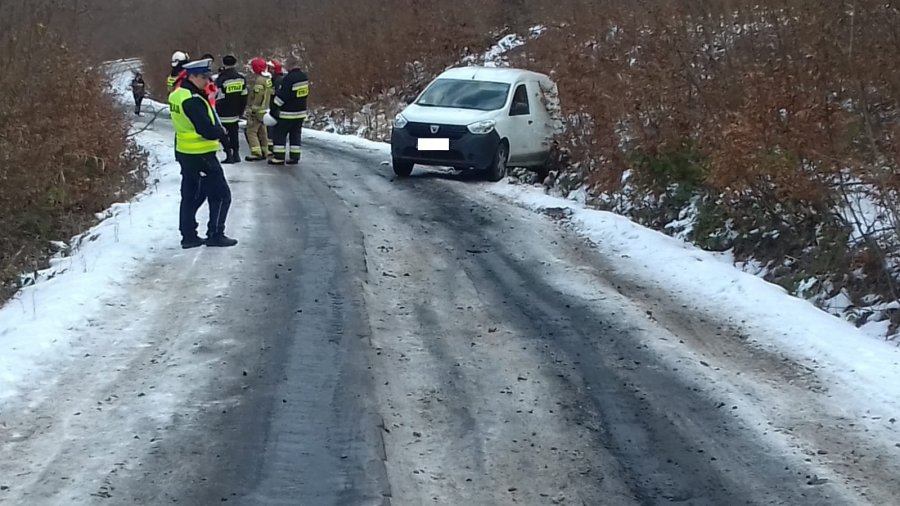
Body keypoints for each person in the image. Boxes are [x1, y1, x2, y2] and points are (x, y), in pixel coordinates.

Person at [168, 58, 238, 248]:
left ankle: (188, 235)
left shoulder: (178, 93)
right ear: (192, 76)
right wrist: (221, 132)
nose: (207, 81)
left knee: (191, 195)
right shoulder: (193, 100)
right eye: (204, 77)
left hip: (185, 152)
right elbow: (205, 130)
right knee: (222, 195)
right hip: (201, 154)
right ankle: (215, 234)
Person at [267, 58, 309, 165]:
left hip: (287, 113)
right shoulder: (304, 77)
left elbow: (282, 96)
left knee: (279, 134)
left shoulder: (288, 79)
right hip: (301, 112)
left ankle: (279, 157)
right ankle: (295, 156)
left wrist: (274, 108)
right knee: (295, 134)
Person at [214, 55, 248, 164]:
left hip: (223, 111)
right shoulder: (241, 78)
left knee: (223, 134)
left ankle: (228, 154)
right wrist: (241, 111)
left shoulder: (221, 79)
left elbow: (218, 97)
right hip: (236, 111)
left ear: (224, 64)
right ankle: (236, 154)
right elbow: (244, 96)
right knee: (234, 133)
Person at [244, 57, 273, 161]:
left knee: (251, 131)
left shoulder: (259, 81)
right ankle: (265, 150)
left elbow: (258, 96)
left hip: (258, 110)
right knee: (262, 130)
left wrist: (252, 109)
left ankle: (256, 152)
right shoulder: (268, 79)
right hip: (265, 110)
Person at [266, 59, 286, 155]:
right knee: (270, 129)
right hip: (273, 108)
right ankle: (270, 146)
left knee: (275, 130)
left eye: (271, 68)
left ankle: (274, 148)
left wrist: (275, 108)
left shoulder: (279, 81)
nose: (269, 70)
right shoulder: (273, 80)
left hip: (277, 109)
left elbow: (278, 95)